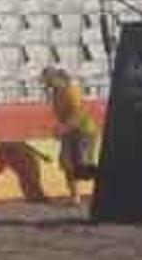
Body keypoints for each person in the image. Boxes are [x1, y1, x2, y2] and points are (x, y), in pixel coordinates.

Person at [41, 67, 101, 203]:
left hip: (84, 131)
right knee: (66, 163)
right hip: (69, 131)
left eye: (46, 79)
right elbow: (61, 114)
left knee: (83, 165)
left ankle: (106, 190)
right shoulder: (55, 93)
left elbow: (77, 113)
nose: (45, 82)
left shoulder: (71, 90)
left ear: (55, 78)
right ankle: (75, 196)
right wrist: (60, 129)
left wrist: (63, 128)